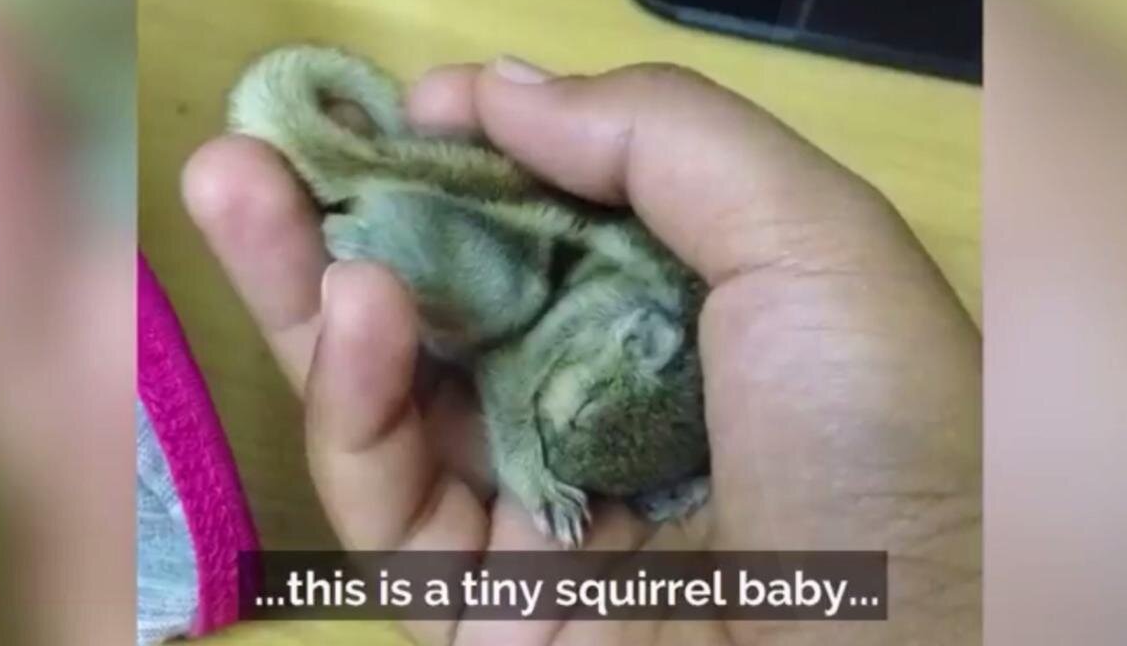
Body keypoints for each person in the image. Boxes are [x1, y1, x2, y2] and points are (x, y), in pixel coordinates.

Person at [183, 56, 982, 644]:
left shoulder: (668, 415)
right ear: (636, 344)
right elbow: (513, 378)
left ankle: (370, 232)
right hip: (536, 273)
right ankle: (368, 233)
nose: (551, 412)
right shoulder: (633, 321)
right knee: (501, 302)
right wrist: (529, 459)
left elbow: (644, 448)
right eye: (576, 398)